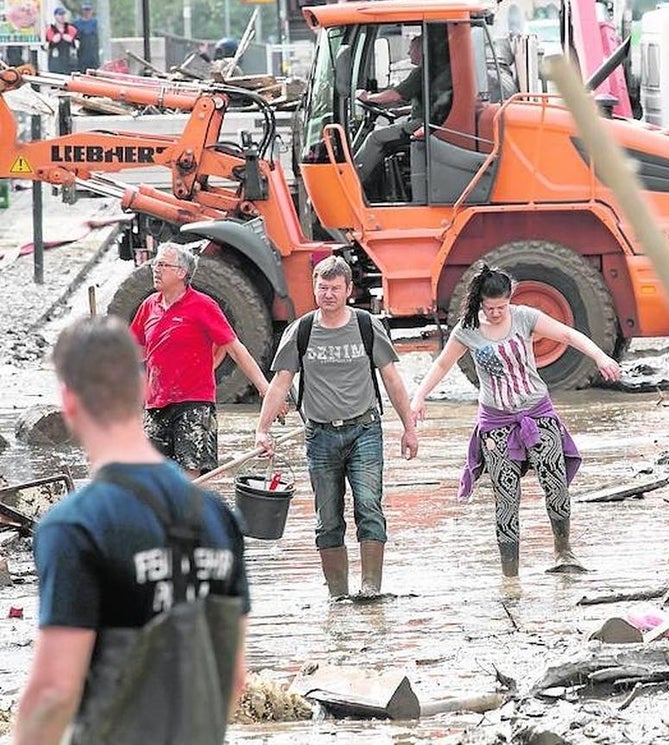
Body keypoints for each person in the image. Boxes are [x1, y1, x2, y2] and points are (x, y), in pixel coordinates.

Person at [13, 316, 249, 745]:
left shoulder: (73, 527)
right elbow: (231, 679)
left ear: (68, 402)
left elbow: (53, 693)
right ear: (143, 389)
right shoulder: (218, 517)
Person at [410, 265, 622, 578]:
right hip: (496, 421)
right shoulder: (467, 329)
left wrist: (600, 357)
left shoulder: (523, 317)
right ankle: (510, 575)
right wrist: (419, 396)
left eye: (502, 306)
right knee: (506, 495)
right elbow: (443, 364)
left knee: (555, 482)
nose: (497, 313)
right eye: (490, 308)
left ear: (510, 300)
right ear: (480, 302)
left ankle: (563, 550)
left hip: (536, 411)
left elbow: (567, 334)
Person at [254, 256, 418, 602]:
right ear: (314, 288)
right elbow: (281, 383)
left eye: (335, 288)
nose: (328, 294)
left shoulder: (365, 325)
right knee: (327, 518)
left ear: (348, 290)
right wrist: (262, 429)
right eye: (322, 287)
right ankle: (338, 597)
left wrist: (408, 428)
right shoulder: (301, 330)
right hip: (320, 436)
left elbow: (391, 379)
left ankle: (371, 589)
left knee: (369, 507)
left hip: (364, 431)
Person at [128, 242, 275, 477]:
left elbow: (235, 349)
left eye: (163, 265)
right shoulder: (149, 306)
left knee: (190, 476)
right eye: (155, 264)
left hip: (193, 402)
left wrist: (265, 388)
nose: (156, 269)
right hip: (156, 402)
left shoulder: (203, 306)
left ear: (181, 273)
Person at [354, 34, 453, 186]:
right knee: (384, 134)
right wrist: (402, 111)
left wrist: (368, 98)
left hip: (423, 124)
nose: (408, 53)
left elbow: (395, 95)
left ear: (422, 49)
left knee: (375, 137)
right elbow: (427, 103)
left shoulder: (421, 72)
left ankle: (352, 180)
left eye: (411, 48)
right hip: (426, 121)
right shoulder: (433, 71)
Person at [44, 6, 78, 75]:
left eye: (63, 14)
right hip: (55, 63)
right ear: (55, 16)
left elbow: (78, 45)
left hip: (69, 62)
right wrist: (53, 42)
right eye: (60, 15)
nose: (62, 17)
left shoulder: (71, 29)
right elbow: (44, 46)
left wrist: (71, 41)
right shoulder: (49, 30)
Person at [74, 1, 99, 72]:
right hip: (82, 55)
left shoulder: (96, 22)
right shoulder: (76, 23)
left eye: (89, 10)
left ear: (92, 11)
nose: (87, 12)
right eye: (85, 10)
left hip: (94, 55)